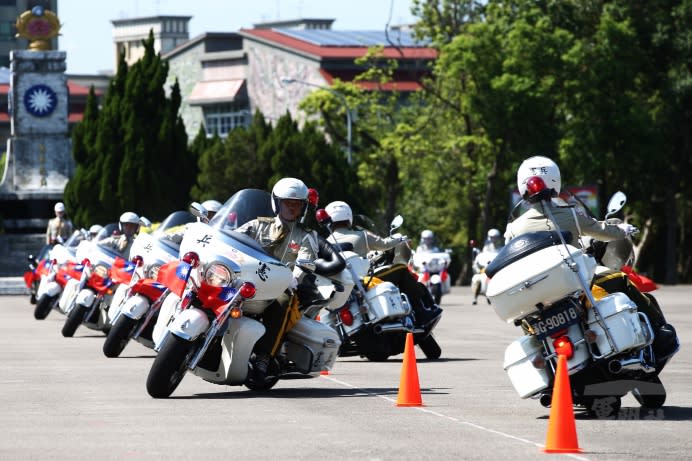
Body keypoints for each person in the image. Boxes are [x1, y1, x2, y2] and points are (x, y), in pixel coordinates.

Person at [505, 155, 675, 361]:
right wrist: (623, 229)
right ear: (554, 181)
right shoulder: (570, 215)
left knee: (526, 321)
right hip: (574, 289)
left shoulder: (514, 228)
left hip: (538, 299)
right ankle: (660, 333)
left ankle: (543, 354)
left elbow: (509, 261)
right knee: (622, 280)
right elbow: (601, 230)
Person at [237, 178, 343, 383]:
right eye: (287, 203)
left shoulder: (306, 235)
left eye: (297, 204)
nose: (292, 208)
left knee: (283, 302)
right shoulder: (258, 225)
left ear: (303, 207)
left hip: (280, 286)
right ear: (277, 203)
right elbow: (232, 237)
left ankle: (264, 357)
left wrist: (293, 279)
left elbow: (305, 261)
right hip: (249, 279)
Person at [324, 200, 442, 327]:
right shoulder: (361, 235)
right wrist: (398, 238)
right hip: (364, 280)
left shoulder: (325, 242)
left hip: (342, 288)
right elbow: (384, 244)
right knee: (401, 270)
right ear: (349, 217)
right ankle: (422, 313)